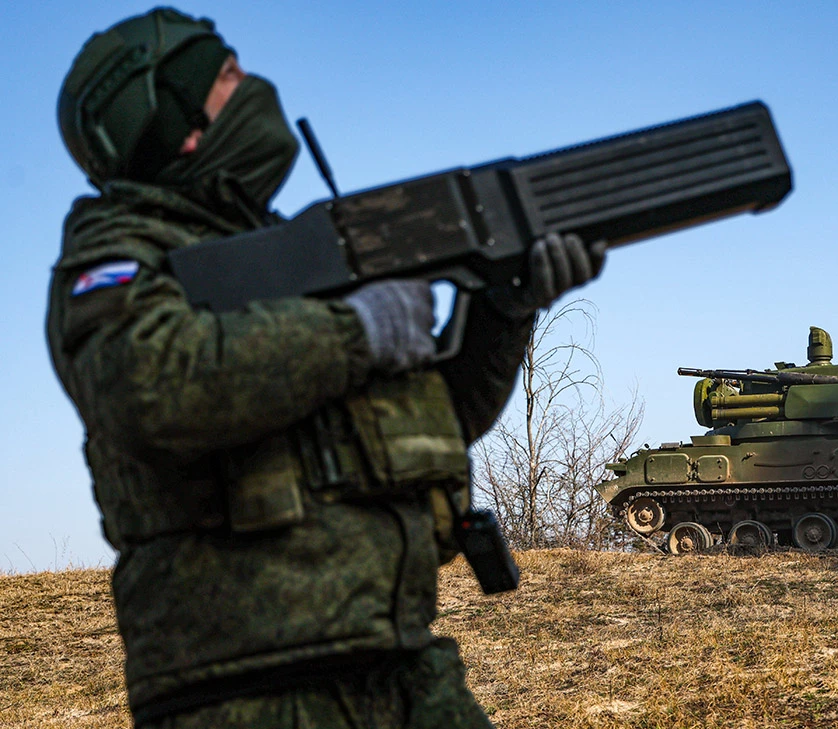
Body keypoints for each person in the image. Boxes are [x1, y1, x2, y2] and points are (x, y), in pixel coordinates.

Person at [49, 8, 605, 728]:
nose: (253, 88)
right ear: (171, 121)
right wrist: (357, 329)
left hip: (402, 664)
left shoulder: (298, 251)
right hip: (244, 694)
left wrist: (505, 309)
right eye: (227, 78)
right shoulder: (116, 255)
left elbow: (441, 420)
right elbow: (148, 383)